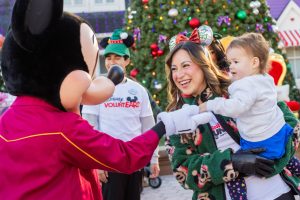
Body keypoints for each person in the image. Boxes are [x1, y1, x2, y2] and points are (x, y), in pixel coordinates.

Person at [0, 1, 204, 199]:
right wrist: (165, 125)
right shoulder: (63, 127)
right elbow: (125, 156)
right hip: (110, 163)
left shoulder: (5, 121)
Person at [164, 34, 300, 200]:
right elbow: (183, 173)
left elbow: (290, 123)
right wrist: (231, 162)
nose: (179, 74)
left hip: (277, 192)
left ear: (203, 64)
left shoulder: (236, 87)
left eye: (186, 65)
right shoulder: (176, 117)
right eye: (174, 69)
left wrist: (275, 158)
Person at [82, 29, 160, 200]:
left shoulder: (138, 90)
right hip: (108, 163)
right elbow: (89, 128)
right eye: (108, 58)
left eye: (117, 57)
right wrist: (96, 164)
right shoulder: (96, 87)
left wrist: (153, 159)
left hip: (134, 162)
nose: (112, 62)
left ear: (127, 61)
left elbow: (148, 128)